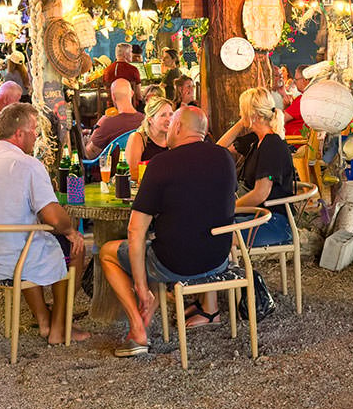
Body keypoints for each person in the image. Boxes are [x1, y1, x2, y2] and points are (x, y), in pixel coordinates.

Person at [99, 106, 236, 357]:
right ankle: (150, 307)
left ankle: (138, 328)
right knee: (154, 245)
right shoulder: (224, 157)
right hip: (218, 260)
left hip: (175, 263)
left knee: (110, 252)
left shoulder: (161, 164)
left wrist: (141, 287)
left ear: (178, 127)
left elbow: (135, 230)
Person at [0, 103, 89, 345]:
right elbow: (54, 218)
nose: (36, 136)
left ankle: (44, 320)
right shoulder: (28, 164)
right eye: (34, 130)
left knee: (31, 239)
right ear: (19, 133)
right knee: (73, 246)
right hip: (11, 262)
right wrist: (71, 230)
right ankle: (59, 326)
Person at [217, 88, 297, 254]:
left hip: (274, 222)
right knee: (212, 226)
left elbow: (261, 193)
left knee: (215, 234)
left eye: (242, 110)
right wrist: (242, 122)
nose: (239, 113)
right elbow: (218, 149)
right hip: (258, 215)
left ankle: (230, 277)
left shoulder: (271, 145)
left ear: (253, 114)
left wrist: (230, 208)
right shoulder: (258, 140)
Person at [85, 78, 144, 158]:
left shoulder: (106, 123)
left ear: (113, 96)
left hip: (113, 169)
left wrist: (98, 127)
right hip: (140, 168)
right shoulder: (144, 120)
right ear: (132, 93)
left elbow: (89, 154)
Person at [125, 95, 175, 177]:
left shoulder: (174, 139)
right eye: (163, 115)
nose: (169, 119)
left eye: (171, 114)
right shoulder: (138, 138)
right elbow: (133, 173)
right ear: (150, 119)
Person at [282, 66, 311, 139]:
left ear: (305, 80)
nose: (294, 82)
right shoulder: (310, 97)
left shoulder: (303, 100)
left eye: (296, 79)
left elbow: (280, 119)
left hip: (294, 142)